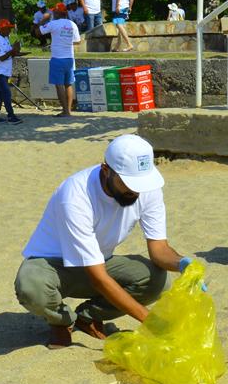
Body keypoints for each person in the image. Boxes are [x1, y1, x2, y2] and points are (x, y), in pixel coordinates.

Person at [15, 134, 198, 349]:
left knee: (158, 280)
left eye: (140, 183)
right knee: (31, 285)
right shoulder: (75, 195)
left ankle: (88, 317)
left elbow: (159, 249)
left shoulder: (146, 189)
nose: (135, 191)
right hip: (53, 265)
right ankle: (61, 322)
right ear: (105, 170)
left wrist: (182, 264)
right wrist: (151, 321)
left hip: (99, 260)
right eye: (128, 183)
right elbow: (99, 279)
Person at [39, 2, 82, 117]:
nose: (52, 13)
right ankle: (68, 110)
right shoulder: (72, 24)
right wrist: (66, 40)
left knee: (59, 85)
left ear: (57, 13)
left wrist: (43, 20)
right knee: (68, 84)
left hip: (57, 58)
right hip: (69, 58)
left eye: (54, 11)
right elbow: (78, 41)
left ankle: (65, 111)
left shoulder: (53, 24)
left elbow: (38, 32)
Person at [0, 18, 23, 125]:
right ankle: (11, 116)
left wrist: (16, 51)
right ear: (2, 29)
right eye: (8, 29)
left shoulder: (5, 38)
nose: (10, 31)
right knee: (6, 93)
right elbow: (1, 57)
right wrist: (13, 51)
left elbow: (8, 52)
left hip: (4, 71)